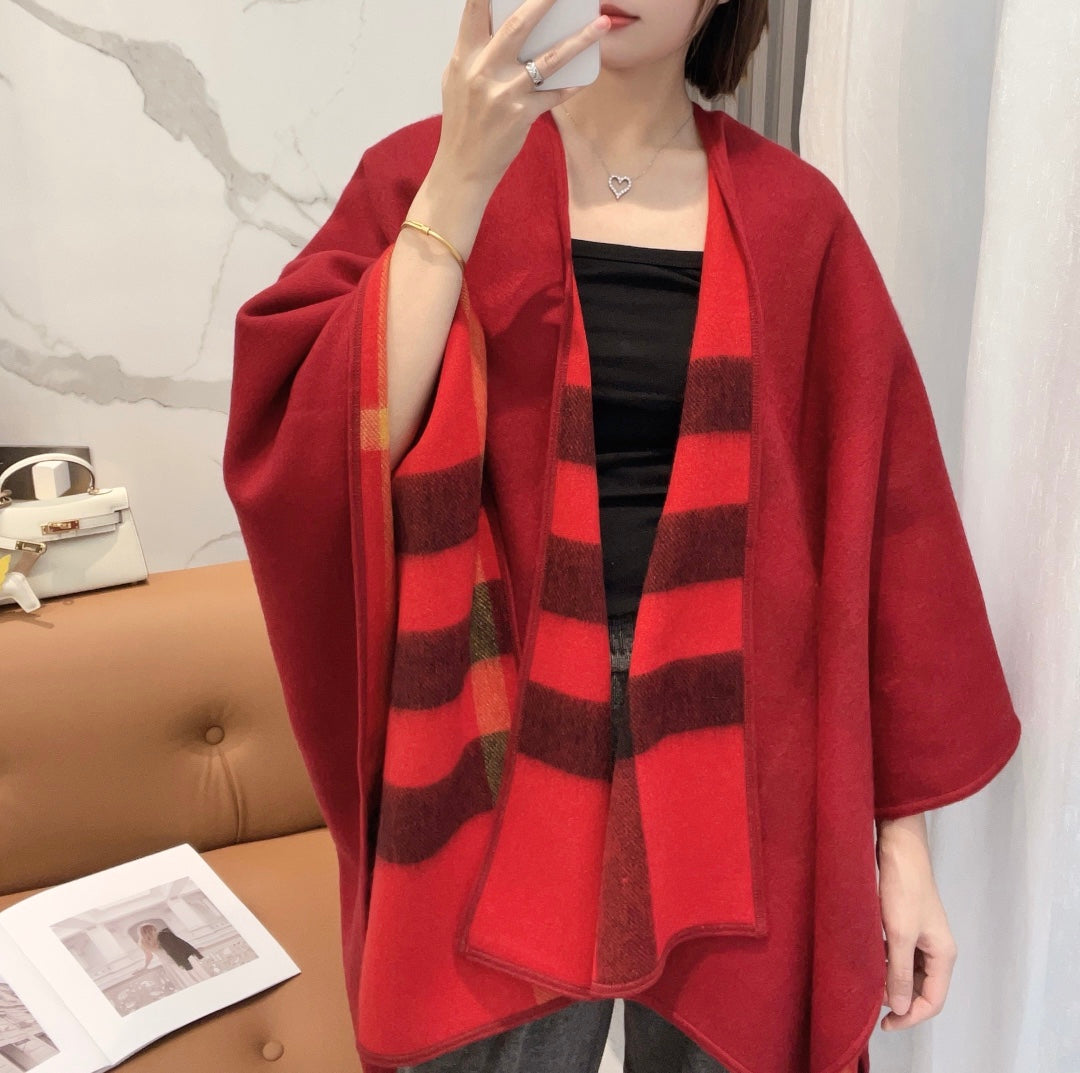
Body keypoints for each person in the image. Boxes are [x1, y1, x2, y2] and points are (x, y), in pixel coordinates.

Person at [223, 1, 1021, 1071]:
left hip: (740, 737)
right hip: (492, 730)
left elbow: (880, 540)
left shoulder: (796, 219)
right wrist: (459, 179)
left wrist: (902, 847)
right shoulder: (425, 171)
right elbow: (332, 442)